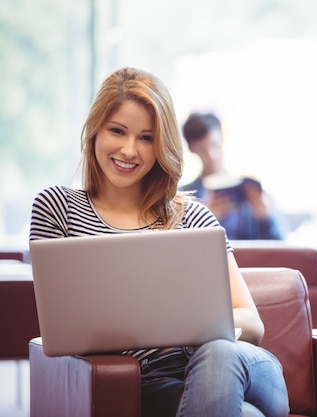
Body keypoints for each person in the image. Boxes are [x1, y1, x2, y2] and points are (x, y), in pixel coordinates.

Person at [29, 67, 289, 417]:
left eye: (146, 138)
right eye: (117, 131)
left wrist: (184, 327)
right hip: (150, 383)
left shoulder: (194, 217)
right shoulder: (57, 208)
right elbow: (61, 328)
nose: (129, 150)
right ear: (95, 131)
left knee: (218, 353)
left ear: (161, 145)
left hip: (243, 366)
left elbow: (253, 324)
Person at [180, 112, 283, 240]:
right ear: (191, 148)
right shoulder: (183, 197)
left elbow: (281, 244)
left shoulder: (250, 190)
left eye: (215, 145)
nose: (211, 156)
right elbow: (181, 248)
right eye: (202, 149)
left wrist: (265, 219)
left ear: (222, 139)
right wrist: (204, 219)